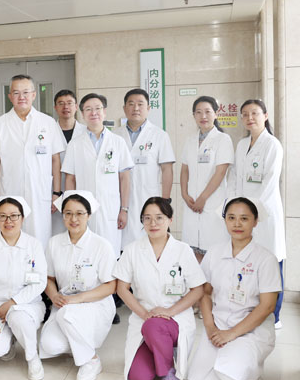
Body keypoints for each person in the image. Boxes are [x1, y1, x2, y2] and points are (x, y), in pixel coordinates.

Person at [188, 197, 281, 380]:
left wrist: (231, 334)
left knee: (229, 374)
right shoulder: (214, 253)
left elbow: (267, 306)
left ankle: (253, 373)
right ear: (225, 220)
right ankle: (231, 357)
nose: (237, 224)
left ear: (255, 221)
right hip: (219, 323)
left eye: (244, 218)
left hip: (251, 329)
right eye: (231, 218)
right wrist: (210, 327)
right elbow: (205, 292)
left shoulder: (265, 259)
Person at [114, 197, 205, 380]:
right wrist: (145, 314)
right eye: (147, 218)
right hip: (144, 317)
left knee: (155, 326)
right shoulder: (132, 250)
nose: (153, 223)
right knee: (139, 378)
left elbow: (198, 289)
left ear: (170, 220)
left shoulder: (182, 250)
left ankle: (168, 371)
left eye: (159, 217)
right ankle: (160, 350)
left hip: (176, 318)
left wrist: (169, 312)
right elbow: (122, 288)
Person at [38, 191, 116, 380]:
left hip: (95, 303)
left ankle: (91, 360)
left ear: (89, 215)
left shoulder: (101, 245)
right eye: (68, 213)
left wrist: (77, 299)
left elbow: (111, 286)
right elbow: (48, 278)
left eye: (80, 213)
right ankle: (80, 342)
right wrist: (54, 296)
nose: (74, 219)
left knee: (66, 315)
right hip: (64, 302)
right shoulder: (54, 243)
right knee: (49, 345)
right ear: (63, 215)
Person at [0, 75, 65, 247]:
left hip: (40, 192)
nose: (22, 97)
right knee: (9, 240)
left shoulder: (48, 123)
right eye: (16, 93)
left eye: (26, 92)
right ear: (10, 96)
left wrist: (56, 193)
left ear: (34, 95)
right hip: (9, 192)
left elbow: (55, 160)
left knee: (40, 239)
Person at [0, 196, 47, 380]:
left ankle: (32, 357)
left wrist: (14, 302)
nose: (8, 221)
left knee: (18, 317)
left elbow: (40, 281)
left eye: (14, 216)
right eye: (3, 216)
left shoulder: (33, 245)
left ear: (22, 218)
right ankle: (10, 340)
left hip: (27, 303)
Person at [228, 100, 285, 329]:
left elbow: (269, 182)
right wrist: (234, 207)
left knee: (271, 261)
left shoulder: (273, 145)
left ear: (265, 116)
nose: (249, 118)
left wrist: (251, 211)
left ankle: (275, 316)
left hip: (264, 214)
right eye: (245, 114)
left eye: (254, 113)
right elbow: (234, 177)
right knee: (249, 264)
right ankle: (249, 311)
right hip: (243, 215)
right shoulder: (242, 144)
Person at [63, 93, 133, 257]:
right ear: (82, 114)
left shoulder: (117, 142)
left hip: (110, 209)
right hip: (82, 209)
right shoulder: (75, 144)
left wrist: (124, 209)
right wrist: (70, 210)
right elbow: (70, 178)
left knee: (109, 254)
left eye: (97, 108)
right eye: (88, 109)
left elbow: (124, 178)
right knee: (83, 254)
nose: (93, 113)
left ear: (104, 112)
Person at [114, 89, 175, 248]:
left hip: (149, 196)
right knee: (123, 246)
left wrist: (165, 201)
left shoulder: (159, 135)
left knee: (149, 243)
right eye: (131, 104)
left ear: (148, 108)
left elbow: (167, 169)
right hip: (120, 200)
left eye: (140, 104)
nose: (136, 108)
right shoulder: (115, 136)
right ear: (124, 108)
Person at [180, 96, 234, 262]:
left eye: (208, 112)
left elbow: (220, 172)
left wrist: (203, 198)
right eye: (198, 112)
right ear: (193, 116)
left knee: (214, 252)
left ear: (216, 114)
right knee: (192, 251)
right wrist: (184, 194)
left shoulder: (223, 139)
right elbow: (184, 169)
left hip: (212, 201)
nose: (203, 116)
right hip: (191, 201)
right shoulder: (190, 140)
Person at [52, 90, 86, 236]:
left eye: (69, 103)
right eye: (61, 103)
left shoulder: (86, 132)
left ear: (76, 106)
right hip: (53, 191)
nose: (65, 107)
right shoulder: (47, 131)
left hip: (80, 188)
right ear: (55, 107)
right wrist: (55, 193)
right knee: (55, 232)